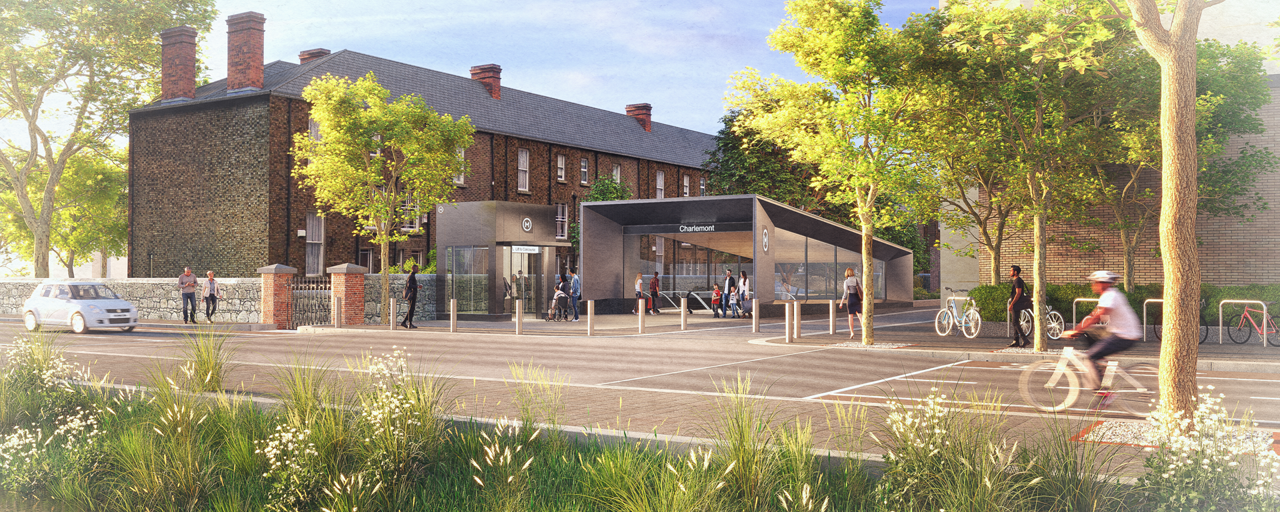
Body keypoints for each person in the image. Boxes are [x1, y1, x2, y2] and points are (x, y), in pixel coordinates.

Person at [1062, 271, 1142, 393]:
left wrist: (1075, 330)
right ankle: (1100, 358)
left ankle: (1103, 393)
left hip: (1124, 336)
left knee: (1089, 358)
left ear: (1102, 284)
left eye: (1094, 282)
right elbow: (1095, 315)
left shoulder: (1110, 296)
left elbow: (1097, 317)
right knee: (1089, 332)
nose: (1092, 285)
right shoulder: (1112, 294)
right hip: (1121, 332)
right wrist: (1080, 329)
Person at [1007, 265, 1032, 348]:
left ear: (1015, 272)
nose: (1010, 272)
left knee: (1015, 322)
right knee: (1015, 322)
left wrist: (1012, 304)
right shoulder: (1018, 280)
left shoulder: (1017, 281)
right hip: (1016, 304)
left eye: (1011, 271)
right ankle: (1016, 341)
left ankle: (1025, 340)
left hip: (1016, 304)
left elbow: (1018, 294)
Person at [837, 267, 863, 339]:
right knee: (860, 316)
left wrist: (841, 302)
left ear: (846, 274)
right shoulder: (857, 280)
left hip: (850, 298)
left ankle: (852, 332)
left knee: (850, 317)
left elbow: (845, 293)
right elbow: (861, 289)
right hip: (857, 298)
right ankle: (864, 331)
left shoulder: (846, 281)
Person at [400, 264, 421, 329]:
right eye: (416, 269)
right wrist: (417, 286)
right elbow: (409, 285)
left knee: (411, 309)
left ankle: (404, 322)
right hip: (411, 294)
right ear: (413, 269)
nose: (418, 270)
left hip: (413, 294)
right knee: (411, 309)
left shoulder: (412, 276)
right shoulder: (411, 276)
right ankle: (409, 323)